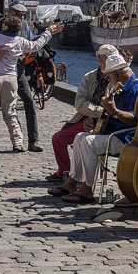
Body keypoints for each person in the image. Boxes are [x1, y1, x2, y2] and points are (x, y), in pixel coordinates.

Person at [48, 54, 138, 204]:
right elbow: (110, 115)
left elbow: (137, 121)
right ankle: (73, 182)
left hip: (126, 137)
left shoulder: (137, 89)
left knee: (88, 142)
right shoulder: (118, 87)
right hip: (114, 133)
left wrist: (115, 112)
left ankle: (87, 189)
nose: (108, 79)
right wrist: (93, 121)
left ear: (114, 74)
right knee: (80, 136)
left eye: (109, 76)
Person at [0, 3, 59, 152]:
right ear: (11, 14)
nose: (22, 18)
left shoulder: (11, 30)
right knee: (3, 110)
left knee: (21, 104)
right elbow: (34, 45)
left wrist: (48, 32)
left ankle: (29, 141)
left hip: (9, 73)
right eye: (19, 15)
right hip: (9, 75)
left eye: (23, 16)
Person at [47, 45, 119, 182]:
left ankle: (83, 178)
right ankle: (65, 171)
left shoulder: (117, 77)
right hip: (87, 118)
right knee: (58, 139)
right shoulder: (90, 77)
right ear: (101, 60)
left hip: (107, 122)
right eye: (110, 59)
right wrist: (98, 112)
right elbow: (79, 103)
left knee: (86, 142)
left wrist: (101, 115)